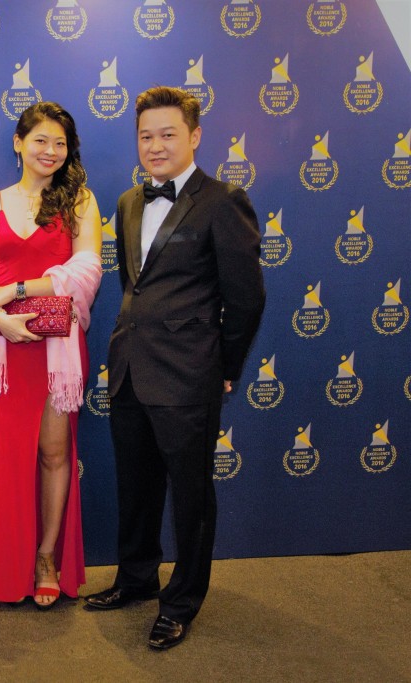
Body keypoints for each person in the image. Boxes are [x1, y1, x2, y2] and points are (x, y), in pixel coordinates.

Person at [83, 87, 265, 650]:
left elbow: (246, 298)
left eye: (167, 134)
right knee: (135, 485)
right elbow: (134, 286)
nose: (155, 146)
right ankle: (137, 578)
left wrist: (223, 364)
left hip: (189, 373)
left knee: (190, 495)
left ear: (194, 136)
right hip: (131, 368)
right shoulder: (128, 202)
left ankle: (182, 599)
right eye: (145, 136)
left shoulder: (222, 200)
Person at [0, 102, 103, 609]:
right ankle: (10, 566)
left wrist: (15, 288)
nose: (51, 151)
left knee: (54, 452)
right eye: (40, 140)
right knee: (13, 458)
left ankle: (46, 557)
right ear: (19, 142)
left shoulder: (80, 201)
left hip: (58, 348)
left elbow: (87, 273)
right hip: (5, 348)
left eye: (61, 143)